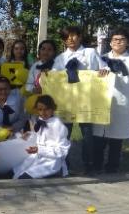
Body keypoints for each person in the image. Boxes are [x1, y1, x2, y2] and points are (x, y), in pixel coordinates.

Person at [52, 25, 108, 174]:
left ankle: (89, 165)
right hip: (67, 102)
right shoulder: (60, 58)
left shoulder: (90, 53)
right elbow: (53, 78)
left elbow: (105, 68)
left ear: (80, 36)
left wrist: (104, 71)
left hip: (86, 100)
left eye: (73, 35)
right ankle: (64, 165)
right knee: (64, 134)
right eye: (66, 37)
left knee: (88, 134)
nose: (70, 39)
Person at [92, 28, 129, 174]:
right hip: (102, 104)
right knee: (99, 138)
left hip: (121, 105)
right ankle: (96, 167)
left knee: (116, 141)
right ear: (110, 42)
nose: (118, 42)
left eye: (122, 39)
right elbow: (91, 80)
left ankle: (112, 168)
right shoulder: (101, 59)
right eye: (115, 39)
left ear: (127, 43)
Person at [13, 95, 70, 179]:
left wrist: (39, 150)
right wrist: (29, 135)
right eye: (40, 110)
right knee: (16, 171)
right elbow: (40, 138)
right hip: (38, 157)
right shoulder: (41, 121)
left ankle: (58, 172)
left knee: (24, 177)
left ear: (53, 108)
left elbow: (61, 151)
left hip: (51, 162)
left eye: (46, 109)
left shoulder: (58, 126)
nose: (43, 113)